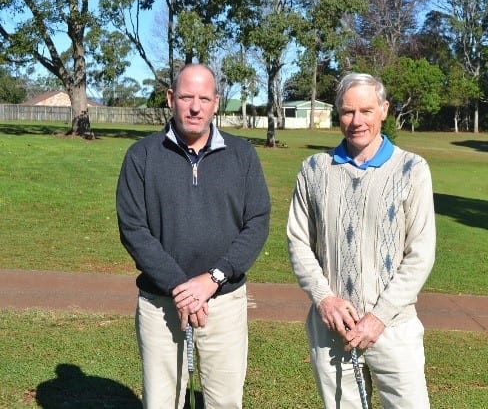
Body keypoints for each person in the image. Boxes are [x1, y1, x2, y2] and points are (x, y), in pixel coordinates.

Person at [116, 63, 271, 409]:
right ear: (171, 99)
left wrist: (213, 279)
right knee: (162, 402)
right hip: (161, 304)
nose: (195, 107)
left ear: (216, 102)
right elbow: (133, 229)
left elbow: (257, 221)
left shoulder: (242, 155)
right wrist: (180, 287)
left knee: (225, 402)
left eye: (204, 98)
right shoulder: (141, 156)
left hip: (224, 302)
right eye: (186, 97)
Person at [286, 72, 436, 408]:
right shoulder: (313, 170)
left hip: (393, 326)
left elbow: (421, 253)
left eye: (366, 111)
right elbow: (298, 241)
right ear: (338, 113)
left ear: (384, 110)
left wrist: (379, 316)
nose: (357, 121)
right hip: (332, 328)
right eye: (348, 111)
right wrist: (324, 298)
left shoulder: (412, 169)